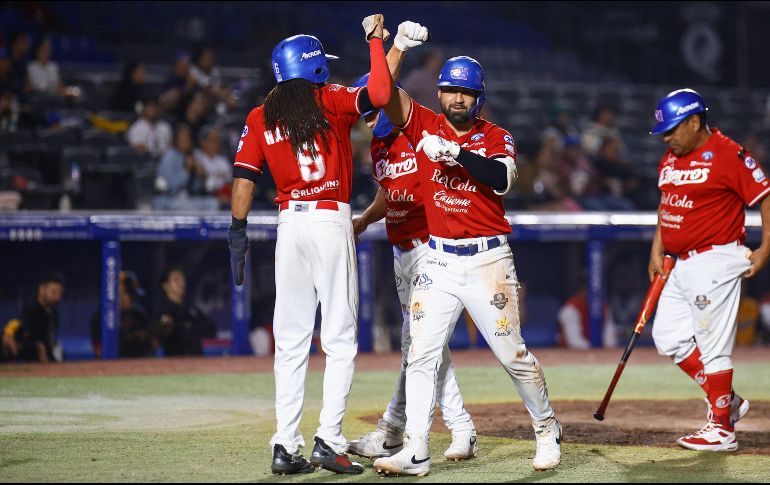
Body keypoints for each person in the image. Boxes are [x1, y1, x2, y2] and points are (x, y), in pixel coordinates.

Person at [372, 40, 562, 476]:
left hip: (487, 260)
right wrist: (389, 45)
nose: (458, 99)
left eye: (467, 92)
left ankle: (546, 427)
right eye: (451, 90)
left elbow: (502, 179)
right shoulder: (423, 123)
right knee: (421, 353)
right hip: (437, 260)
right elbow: (382, 94)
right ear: (439, 92)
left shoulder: (495, 135)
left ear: (479, 98)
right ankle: (416, 450)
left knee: (512, 355)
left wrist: (457, 153)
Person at [227, 15, 392, 475]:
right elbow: (380, 94)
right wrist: (376, 42)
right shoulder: (330, 98)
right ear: (315, 67)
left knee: (291, 340)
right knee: (339, 338)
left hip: (290, 226)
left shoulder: (260, 116)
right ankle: (329, 440)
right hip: (328, 220)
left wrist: (237, 230)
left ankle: (284, 444)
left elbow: (243, 179)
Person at [348, 25, 477, 463]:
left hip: (431, 249)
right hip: (401, 250)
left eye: (372, 108)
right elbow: (391, 191)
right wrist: (365, 219)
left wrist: (395, 46)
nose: (367, 118)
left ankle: (397, 431)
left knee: (417, 343)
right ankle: (456, 429)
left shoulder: (418, 131)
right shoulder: (380, 144)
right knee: (426, 346)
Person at [647, 88, 770, 452]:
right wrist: (656, 249)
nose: (666, 138)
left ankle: (722, 429)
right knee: (668, 337)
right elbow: (667, 202)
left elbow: (765, 197)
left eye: (672, 130)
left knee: (713, 345)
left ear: (694, 121)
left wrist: (765, 249)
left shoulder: (729, 154)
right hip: (679, 261)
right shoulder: (671, 157)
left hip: (716, 258)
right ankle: (727, 400)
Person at [151, 267, 216, 357]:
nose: (181, 283)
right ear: (165, 285)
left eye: (182, 279)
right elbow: (157, 333)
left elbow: (211, 329)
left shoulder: (191, 309)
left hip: (196, 360)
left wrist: (188, 327)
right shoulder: (162, 309)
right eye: (176, 280)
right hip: (174, 361)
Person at [2, 272, 65, 363]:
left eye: (60, 293)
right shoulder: (31, 309)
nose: (57, 297)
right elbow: (17, 325)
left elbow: (48, 343)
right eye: (53, 292)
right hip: (18, 359)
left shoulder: (52, 312)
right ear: (41, 289)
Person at [154, 124, 219, 211]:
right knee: (187, 206)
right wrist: (187, 170)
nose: (184, 142)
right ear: (176, 140)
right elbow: (171, 186)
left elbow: (196, 189)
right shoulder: (169, 157)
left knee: (212, 203)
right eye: (181, 139)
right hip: (170, 198)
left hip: (189, 198)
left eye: (187, 139)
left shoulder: (194, 155)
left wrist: (201, 176)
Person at [90, 271, 153, 358]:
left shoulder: (138, 314)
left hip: (139, 363)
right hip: (113, 364)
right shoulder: (101, 317)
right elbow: (99, 351)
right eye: (129, 294)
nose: (133, 299)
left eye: (133, 295)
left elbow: (150, 349)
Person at [193, 125, 232, 205]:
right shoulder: (196, 156)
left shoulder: (223, 161)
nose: (215, 144)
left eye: (217, 141)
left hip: (223, 197)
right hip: (201, 196)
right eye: (211, 140)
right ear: (203, 142)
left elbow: (230, 183)